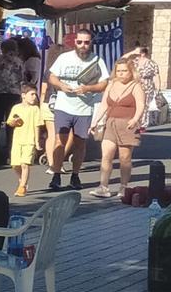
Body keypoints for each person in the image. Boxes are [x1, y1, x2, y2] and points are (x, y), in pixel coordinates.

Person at [47, 29, 110, 190]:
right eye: (80, 42)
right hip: (64, 106)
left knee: (80, 143)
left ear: (91, 43)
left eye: (86, 42)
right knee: (59, 141)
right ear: (75, 42)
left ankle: (75, 175)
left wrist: (88, 88)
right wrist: (61, 85)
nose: (83, 45)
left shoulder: (97, 60)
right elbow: (52, 77)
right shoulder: (64, 58)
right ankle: (56, 174)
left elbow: (104, 83)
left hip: (84, 108)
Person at [90, 58, 146, 198]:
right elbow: (104, 105)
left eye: (124, 71)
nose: (121, 74)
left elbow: (141, 105)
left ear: (131, 71)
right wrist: (95, 121)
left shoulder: (136, 86)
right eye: (119, 71)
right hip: (110, 123)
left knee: (124, 157)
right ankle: (103, 186)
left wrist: (135, 119)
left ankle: (124, 186)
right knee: (106, 155)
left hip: (127, 124)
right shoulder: (111, 84)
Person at [0, 39, 27, 163]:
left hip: (0, 93)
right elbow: (22, 77)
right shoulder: (20, 61)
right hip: (14, 94)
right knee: (12, 124)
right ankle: (10, 153)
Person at [6, 84, 45, 197]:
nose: (34, 97)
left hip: (29, 140)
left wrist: (37, 142)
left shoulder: (35, 109)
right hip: (18, 140)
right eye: (31, 94)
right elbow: (10, 122)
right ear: (23, 95)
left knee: (25, 164)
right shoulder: (16, 108)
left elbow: (37, 125)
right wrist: (15, 121)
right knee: (15, 165)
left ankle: (22, 186)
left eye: (35, 95)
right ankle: (21, 179)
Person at [122, 43, 160, 130]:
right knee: (134, 104)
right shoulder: (134, 62)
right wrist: (132, 52)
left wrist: (158, 89)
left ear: (143, 53)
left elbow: (156, 77)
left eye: (138, 53)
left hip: (147, 87)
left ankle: (142, 125)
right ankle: (134, 122)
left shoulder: (152, 64)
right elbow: (122, 59)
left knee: (144, 106)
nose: (136, 54)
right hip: (135, 85)